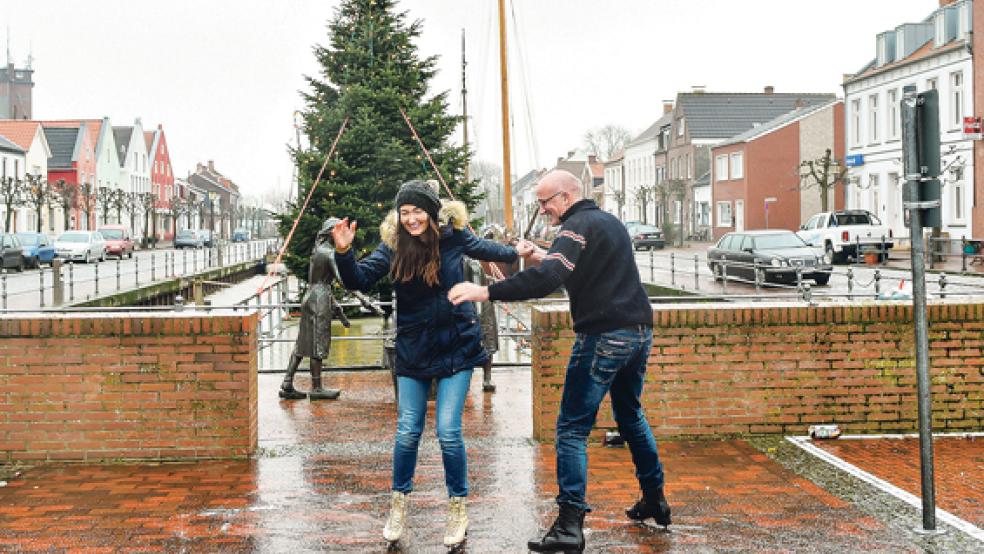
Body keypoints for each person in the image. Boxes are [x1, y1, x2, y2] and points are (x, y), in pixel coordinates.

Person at [448, 169, 671, 553]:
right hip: (638, 332)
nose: (543, 209)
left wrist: (483, 292)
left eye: (545, 201)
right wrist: (541, 255)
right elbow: (580, 272)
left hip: (602, 335)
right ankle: (655, 499)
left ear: (566, 197)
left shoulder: (574, 227)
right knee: (630, 415)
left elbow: (546, 280)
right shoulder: (608, 222)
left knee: (570, 428)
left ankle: (569, 526)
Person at [331, 180, 532, 549]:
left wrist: (517, 249)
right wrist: (343, 252)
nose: (411, 219)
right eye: (405, 212)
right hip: (414, 349)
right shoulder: (392, 246)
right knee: (408, 430)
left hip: (457, 346)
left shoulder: (454, 238)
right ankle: (398, 504)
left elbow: (493, 251)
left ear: (432, 212)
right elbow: (356, 278)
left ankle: (458, 508)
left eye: (418, 211)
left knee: (448, 431)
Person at [280, 217, 349, 401]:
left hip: (310, 296)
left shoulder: (317, 251)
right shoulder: (329, 253)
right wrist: (364, 298)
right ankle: (317, 388)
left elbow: (320, 282)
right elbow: (344, 280)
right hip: (320, 299)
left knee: (302, 343)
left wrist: (338, 309)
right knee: (318, 342)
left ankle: (287, 383)